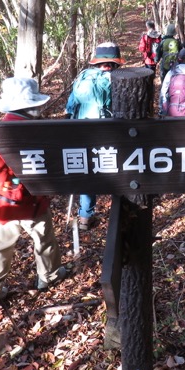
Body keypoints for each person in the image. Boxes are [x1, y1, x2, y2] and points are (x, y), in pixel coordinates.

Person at [0, 77, 69, 312]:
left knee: (0, 248)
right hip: (21, 202)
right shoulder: (26, 132)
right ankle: (48, 276)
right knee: (43, 237)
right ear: (31, 106)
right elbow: (40, 171)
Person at [65, 42, 124, 230]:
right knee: (118, 166)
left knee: (87, 172)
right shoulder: (113, 79)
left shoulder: (83, 76)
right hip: (105, 133)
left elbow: (70, 106)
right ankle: (122, 207)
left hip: (80, 132)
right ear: (114, 63)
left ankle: (85, 216)